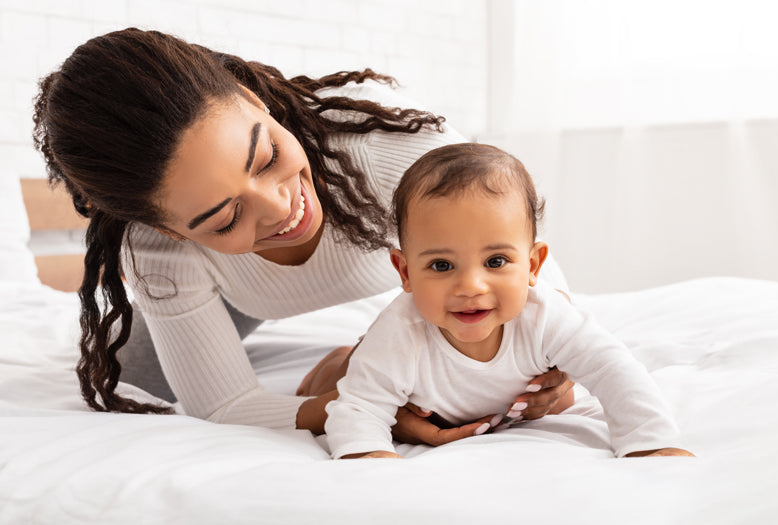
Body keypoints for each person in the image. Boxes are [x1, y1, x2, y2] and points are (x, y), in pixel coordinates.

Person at [31, 28, 574, 441]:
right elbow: (223, 406)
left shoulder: (392, 151)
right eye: (225, 218)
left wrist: (557, 369)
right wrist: (357, 404)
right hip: (233, 291)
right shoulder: (157, 250)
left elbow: (529, 279)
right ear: (166, 229)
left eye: (267, 156)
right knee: (135, 376)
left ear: (252, 99)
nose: (281, 209)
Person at [325, 143, 694, 459]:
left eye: (496, 261)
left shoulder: (545, 315)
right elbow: (360, 407)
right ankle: (334, 361)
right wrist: (367, 455)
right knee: (343, 376)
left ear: (532, 265)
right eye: (441, 265)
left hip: (510, 408)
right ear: (405, 272)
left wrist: (649, 442)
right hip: (422, 400)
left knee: (564, 401)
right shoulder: (400, 331)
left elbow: (613, 369)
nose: (471, 287)